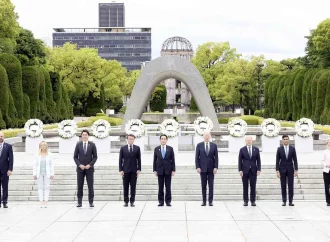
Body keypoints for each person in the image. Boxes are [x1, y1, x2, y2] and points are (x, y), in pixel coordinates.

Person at [74, 130, 98, 208]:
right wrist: (79, 164)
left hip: (89, 169)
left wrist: (90, 165)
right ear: (81, 136)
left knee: (90, 186)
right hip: (80, 169)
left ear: (88, 136)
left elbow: (95, 157)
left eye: (86, 135)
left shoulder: (92, 145)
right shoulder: (78, 144)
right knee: (80, 186)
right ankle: (79, 202)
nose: (84, 136)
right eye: (83, 135)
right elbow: (75, 157)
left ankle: (91, 202)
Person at [195, 130, 218, 206]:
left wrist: (215, 167)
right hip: (202, 169)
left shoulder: (214, 145)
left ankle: (210, 201)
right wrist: (198, 167)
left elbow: (216, 157)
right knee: (203, 185)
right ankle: (204, 201)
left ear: (210, 136)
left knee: (211, 186)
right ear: (203, 136)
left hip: (211, 169)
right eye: (205, 135)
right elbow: (197, 157)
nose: (207, 137)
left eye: (208, 135)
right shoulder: (199, 145)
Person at [119, 134, 141, 207]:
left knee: (133, 187)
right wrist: (121, 170)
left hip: (134, 171)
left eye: (132, 139)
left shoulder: (137, 148)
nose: (130, 140)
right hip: (125, 170)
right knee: (125, 187)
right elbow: (120, 160)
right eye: (129, 139)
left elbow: (139, 159)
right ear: (127, 139)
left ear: (134, 140)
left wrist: (138, 169)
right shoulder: (123, 148)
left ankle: (132, 201)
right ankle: (126, 201)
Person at [153, 134, 175, 207]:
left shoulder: (170, 149)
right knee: (160, 187)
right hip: (160, 170)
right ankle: (161, 201)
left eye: (164, 139)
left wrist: (173, 170)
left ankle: (168, 201)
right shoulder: (156, 149)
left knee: (168, 187)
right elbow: (154, 160)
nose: (163, 140)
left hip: (168, 170)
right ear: (160, 140)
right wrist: (155, 170)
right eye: (162, 139)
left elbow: (173, 160)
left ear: (166, 140)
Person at [238, 136, 261, 206]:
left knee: (253, 186)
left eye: (250, 140)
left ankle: (253, 201)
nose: (248, 141)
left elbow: (258, 160)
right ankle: (245, 201)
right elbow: (240, 160)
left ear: (252, 141)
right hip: (245, 171)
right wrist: (240, 170)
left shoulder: (256, 149)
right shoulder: (242, 149)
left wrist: (259, 169)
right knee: (245, 187)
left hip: (253, 171)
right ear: (245, 141)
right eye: (247, 140)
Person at [276, 135, 298, 206]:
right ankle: (284, 201)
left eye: (287, 139)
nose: (286, 140)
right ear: (282, 140)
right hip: (282, 170)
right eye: (284, 139)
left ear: (289, 140)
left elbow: (295, 160)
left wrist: (296, 170)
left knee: (291, 186)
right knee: (283, 186)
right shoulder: (279, 149)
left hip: (290, 170)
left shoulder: (292, 149)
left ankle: (290, 201)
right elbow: (277, 160)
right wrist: (277, 170)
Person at [33, 141, 54, 208]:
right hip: (39, 173)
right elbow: (35, 165)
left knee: (47, 187)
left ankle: (46, 201)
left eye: (44, 145)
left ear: (46, 146)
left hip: (47, 173)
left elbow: (51, 165)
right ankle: (41, 201)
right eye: (41, 145)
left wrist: (52, 174)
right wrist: (34, 173)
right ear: (40, 146)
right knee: (40, 187)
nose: (43, 146)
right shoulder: (37, 155)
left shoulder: (50, 155)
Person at [0, 131, 13, 208]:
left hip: (5, 170)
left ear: (4, 137)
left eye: (1, 136)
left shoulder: (8, 146)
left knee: (5, 186)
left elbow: (11, 159)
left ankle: (4, 201)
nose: (0, 137)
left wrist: (10, 169)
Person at [322, 139, 330, 206]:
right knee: (327, 187)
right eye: (329, 142)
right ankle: (328, 201)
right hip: (326, 171)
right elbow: (322, 160)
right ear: (327, 143)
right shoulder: (325, 152)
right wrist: (326, 165)